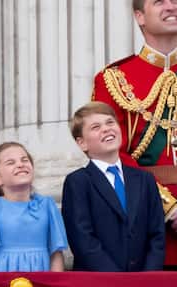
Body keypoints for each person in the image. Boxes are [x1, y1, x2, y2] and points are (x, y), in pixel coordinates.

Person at [92, 0, 177, 267]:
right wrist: (169, 207)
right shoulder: (113, 79)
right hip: (145, 218)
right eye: (159, 1)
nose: (171, 6)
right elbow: (108, 151)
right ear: (140, 16)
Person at [62, 101, 165, 271]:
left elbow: (156, 235)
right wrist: (117, 280)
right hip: (100, 280)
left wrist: (148, 276)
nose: (106, 129)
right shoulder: (78, 182)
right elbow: (83, 239)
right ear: (82, 143)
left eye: (110, 122)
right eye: (95, 127)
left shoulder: (144, 179)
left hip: (144, 280)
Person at [0, 142, 68, 272]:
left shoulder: (47, 205)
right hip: (1, 277)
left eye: (24, 160)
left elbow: (56, 253)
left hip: (41, 276)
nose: (20, 164)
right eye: (11, 163)